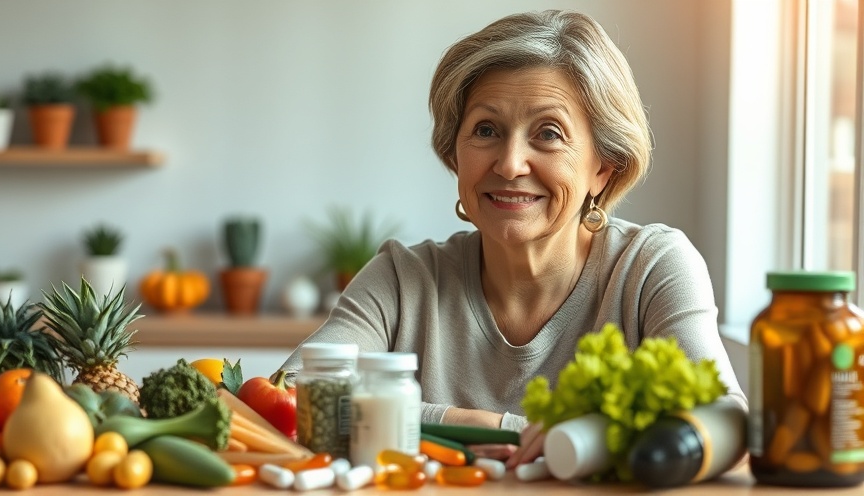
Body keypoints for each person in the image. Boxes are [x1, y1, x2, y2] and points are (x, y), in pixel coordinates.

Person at [276, 9, 746, 467]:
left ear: (603, 167)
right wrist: (493, 425)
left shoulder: (651, 267)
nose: (509, 163)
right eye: (486, 130)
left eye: (548, 133)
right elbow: (290, 396)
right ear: (456, 154)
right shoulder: (403, 277)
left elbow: (725, 420)